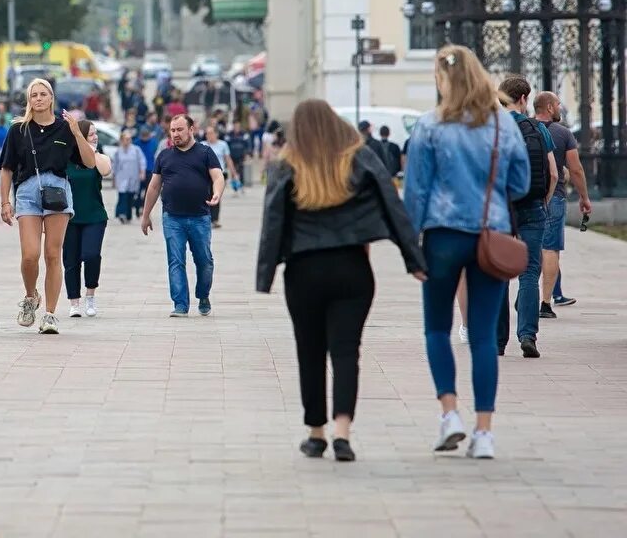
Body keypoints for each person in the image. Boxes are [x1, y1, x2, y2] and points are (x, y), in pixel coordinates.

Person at [257, 100, 424, 462]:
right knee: (347, 351)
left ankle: (316, 433)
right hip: (352, 268)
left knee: (310, 350)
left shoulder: (287, 164)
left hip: (304, 272)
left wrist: (265, 275)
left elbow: (273, 219)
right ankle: (342, 432)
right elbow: (391, 203)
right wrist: (413, 258)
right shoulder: (358, 157)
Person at [403, 46, 530, 460]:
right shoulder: (501, 125)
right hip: (488, 234)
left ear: (442, 79)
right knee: (482, 335)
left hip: (442, 236)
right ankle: (485, 431)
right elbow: (520, 183)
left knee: (437, 328)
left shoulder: (429, 126)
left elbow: (416, 191)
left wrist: (411, 244)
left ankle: (449, 414)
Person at [0, 79, 96, 335]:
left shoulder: (65, 128)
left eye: (43, 94)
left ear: (52, 98)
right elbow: (6, 168)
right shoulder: (19, 130)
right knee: (30, 255)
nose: (38, 98)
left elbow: (88, 161)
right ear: (29, 100)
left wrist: (77, 132)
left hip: (58, 191)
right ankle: (31, 296)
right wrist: (5, 201)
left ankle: (50, 314)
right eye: (33, 95)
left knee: (53, 254)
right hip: (28, 191)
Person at [495, 75, 556, 358]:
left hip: (501, 209)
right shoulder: (538, 128)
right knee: (529, 272)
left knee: (499, 274)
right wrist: (543, 200)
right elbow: (553, 173)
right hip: (533, 206)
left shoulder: (492, 128)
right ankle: (528, 335)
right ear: (523, 99)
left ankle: (497, 340)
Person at [141, 114, 225, 317]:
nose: (176, 134)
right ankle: (180, 304)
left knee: (204, 261)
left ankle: (203, 295)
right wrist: (146, 215)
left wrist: (217, 193)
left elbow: (218, 176)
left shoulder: (205, 153)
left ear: (191, 129)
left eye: (180, 130)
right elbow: (153, 187)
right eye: (172, 130)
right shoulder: (164, 156)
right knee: (176, 261)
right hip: (172, 218)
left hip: (200, 217)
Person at [534, 92, 591, 313]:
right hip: (554, 195)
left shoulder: (525, 128)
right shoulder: (563, 133)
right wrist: (584, 197)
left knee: (532, 247)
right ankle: (546, 302)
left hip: (528, 196)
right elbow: (575, 170)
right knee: (550, 249)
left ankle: (526, 294)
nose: (560, 107)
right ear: (549, 107)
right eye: (558, 104)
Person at [65, 120, 112, 317]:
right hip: (69, 217)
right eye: (91, 134)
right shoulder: (66, 160)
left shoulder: (100, 157)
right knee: (71, 260)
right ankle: (74, 302)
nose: (95, 137)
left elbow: (105, 171)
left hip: (94, 215)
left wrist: (90, 150)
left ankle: (90, 295)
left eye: (95, 134)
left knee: (91, 255)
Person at [200, 125, 239, 227]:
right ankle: (205, 218)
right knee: (205, 195)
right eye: (207, 134)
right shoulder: (202, 145)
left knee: (216, 195)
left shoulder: (223, 145)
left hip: (219, 175)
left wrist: (234, 173)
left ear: (216, 134)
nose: (209, 135)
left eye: (211, 133)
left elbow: (228, 159)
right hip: (205, 175)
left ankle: (215, 219)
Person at [111, 130, 146, 224]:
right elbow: (115, 165)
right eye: (126, 139)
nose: (128, 141)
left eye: (129, 139)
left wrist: (142, 172)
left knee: (130, 196)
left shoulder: (136, 149)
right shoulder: (118, 151)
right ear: (122, 140)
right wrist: (113, 178)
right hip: (121, 176)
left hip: (133, 176)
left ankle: (129, 215)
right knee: (122, 195)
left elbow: (142, 161)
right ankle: (121, 214)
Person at [134, 124, 160, 217]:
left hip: (150, 170)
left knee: (148, 192)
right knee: (137, 192)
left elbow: (156, 155)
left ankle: (146, 211)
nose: (145, 138)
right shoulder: (136, 142)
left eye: (146, 136)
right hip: (139, 171)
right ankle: (137, 210)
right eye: (143, 136)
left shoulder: (154, 142)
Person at [226, 123, 252, 188]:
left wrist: (248, 153)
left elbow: (248, 144)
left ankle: (241, 185)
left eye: (238, 127)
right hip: (232, 155)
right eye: (235, 126)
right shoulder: (229, 134)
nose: (236, 128)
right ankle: (234, 186)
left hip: (241, 155)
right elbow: (226, 144)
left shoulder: (244, 134)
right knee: (233, 171)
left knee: (241, 171)